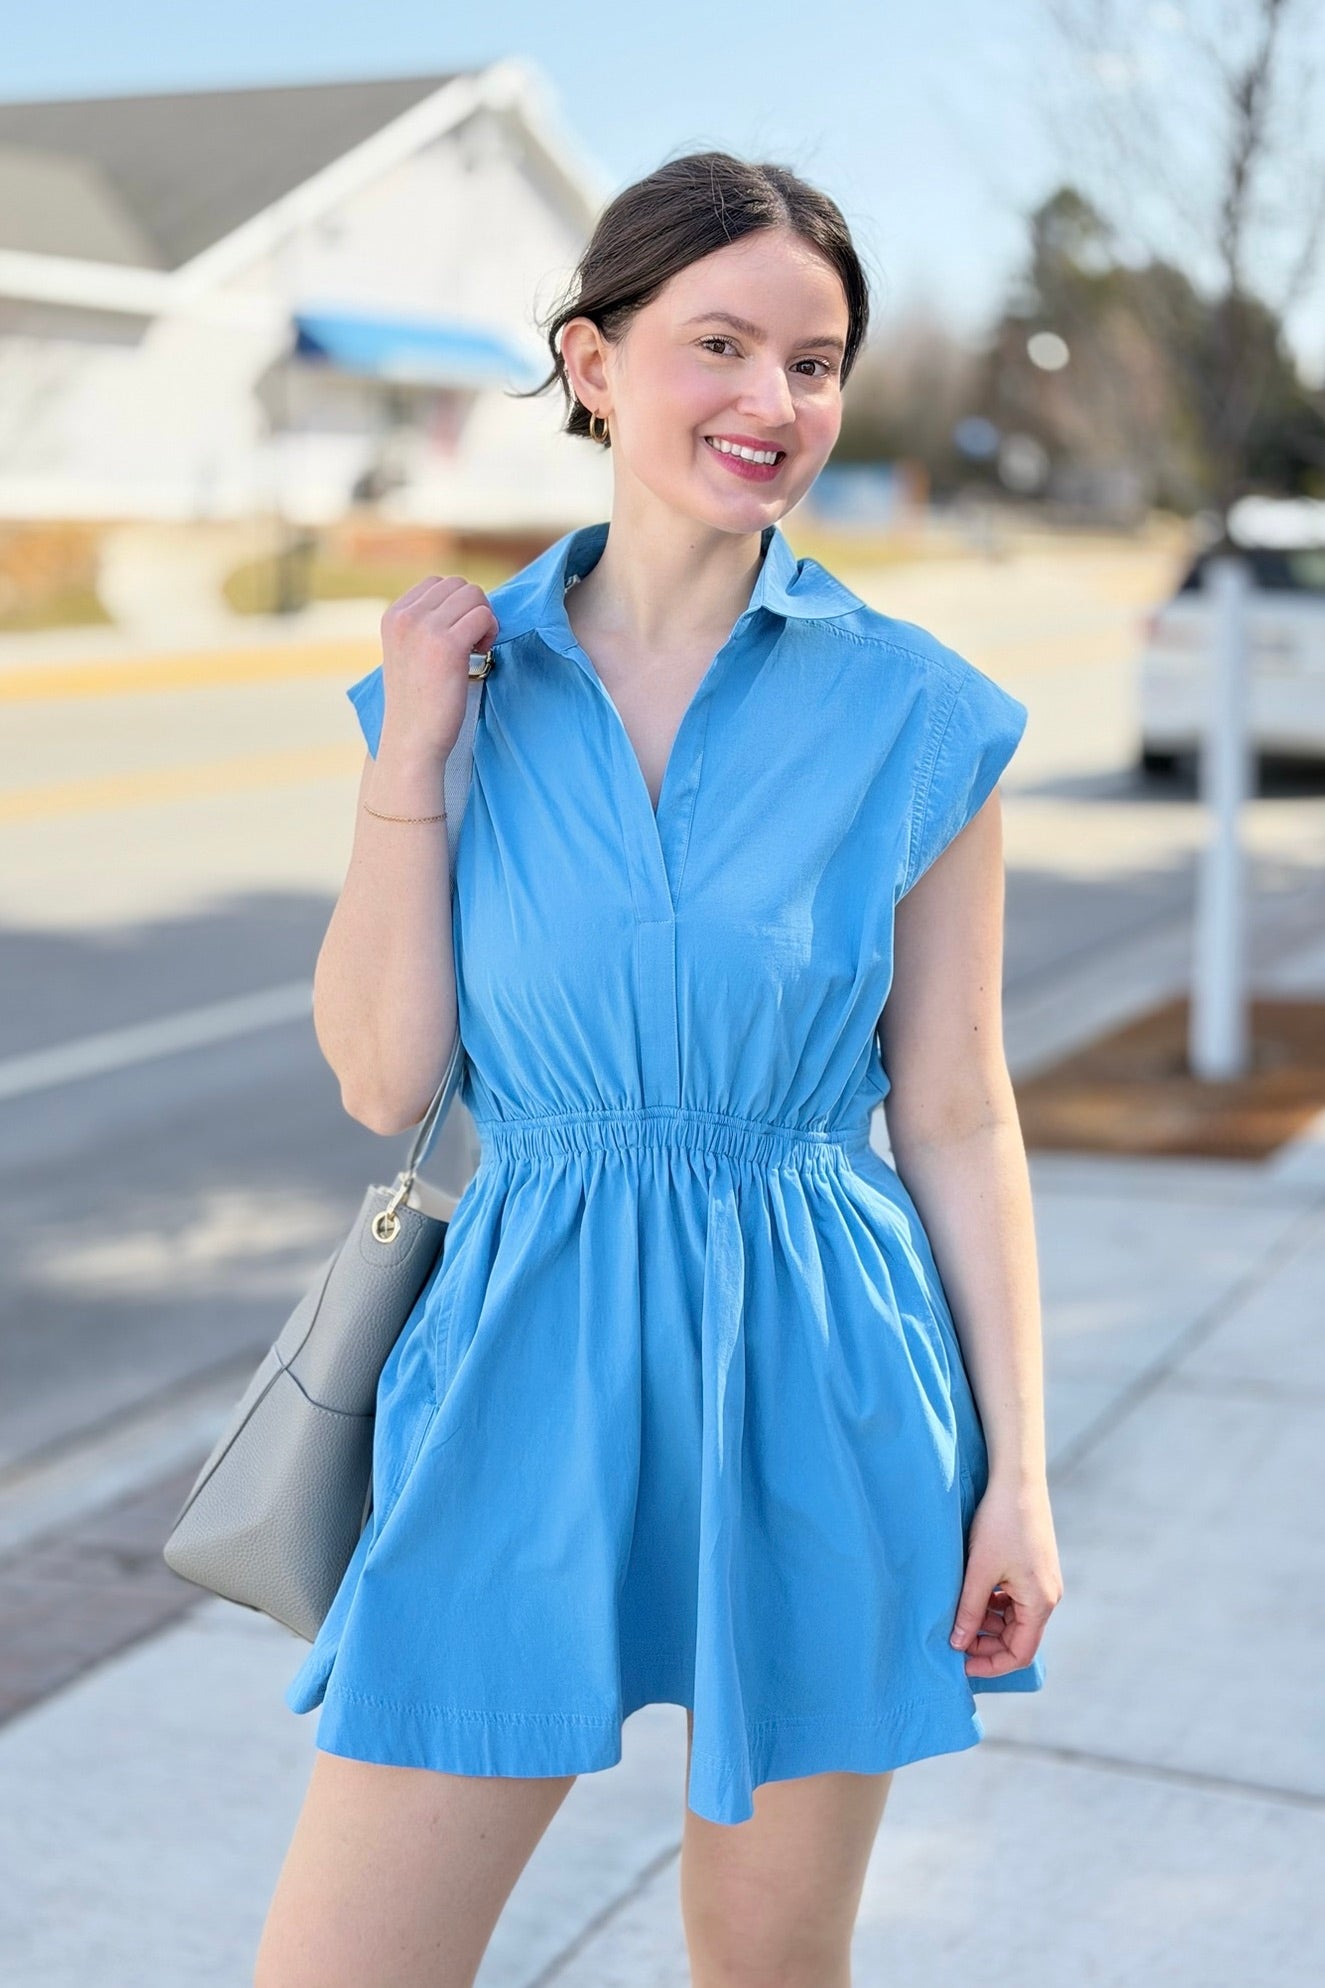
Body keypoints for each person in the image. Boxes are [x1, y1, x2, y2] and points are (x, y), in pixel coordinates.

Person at [255, 149, 1063, 1988]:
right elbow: (388, 1081)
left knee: (769, 1969)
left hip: (825, 1376)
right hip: (518, 1365)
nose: (773, 402)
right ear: (592, 362)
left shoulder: (917, 713)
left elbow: (953, 1110)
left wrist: (1019, 1474)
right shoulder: (457, 683)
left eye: (815, 360)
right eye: (719, 344)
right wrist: (416, 760)